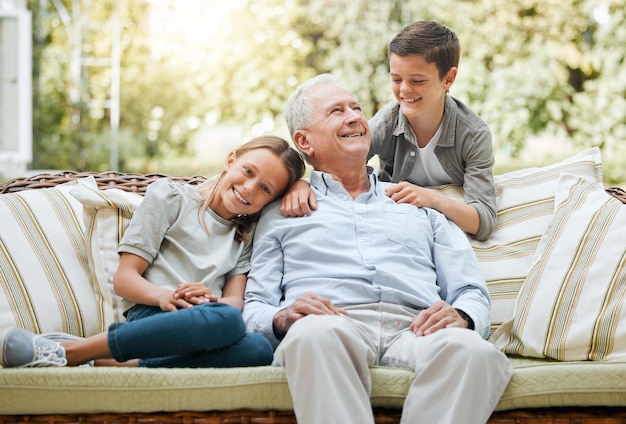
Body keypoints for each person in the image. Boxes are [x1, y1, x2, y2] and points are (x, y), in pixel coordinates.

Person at [243, 74, 512, 424]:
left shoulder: (418, 202)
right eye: (336, 111)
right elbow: (254, 309)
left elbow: (470, 290)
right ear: (304, 141)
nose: (355, 116)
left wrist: (463, 315)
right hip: (332, 325)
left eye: (356, 107)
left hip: (419, 328)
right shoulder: (281, 213)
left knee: (475, 352)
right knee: (311, 335)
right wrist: (282, 317)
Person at [0, 135, 305, 369]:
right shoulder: (171, 198)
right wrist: (165, 296)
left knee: (259, 349)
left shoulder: (244, 237)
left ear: (271, 201)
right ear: (230, 161)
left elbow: (234, 300)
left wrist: (212, 302)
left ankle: (110, 363)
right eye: (248, 171)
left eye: (266, 189)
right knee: (228, 320)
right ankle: (71, 352)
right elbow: (124, 279)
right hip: (153, 315)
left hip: (207, 323)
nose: (250, 188)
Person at [281, 20, 496, 241]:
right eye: (396, 79)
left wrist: (433, 198)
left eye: (417, 80)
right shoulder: (388, 122)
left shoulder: (473, 134)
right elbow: (337, 161)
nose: (404, 89)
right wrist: (301, 183)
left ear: (448, 79)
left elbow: (484, 220)